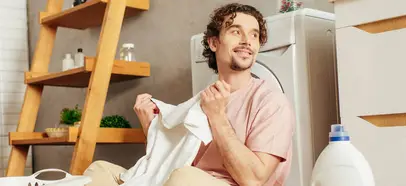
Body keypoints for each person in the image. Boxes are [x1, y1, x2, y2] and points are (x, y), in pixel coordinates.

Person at [83, 3, 295, 186]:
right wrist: (153, 130)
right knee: (99, 171)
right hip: (185, 179)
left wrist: (218, 117)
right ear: (214, 43)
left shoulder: (270, 102)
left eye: (254, 35)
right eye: (235, 31)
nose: (247, 41)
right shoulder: (202, 100)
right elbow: (174, 159)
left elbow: (254, 179)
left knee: (184, 179)